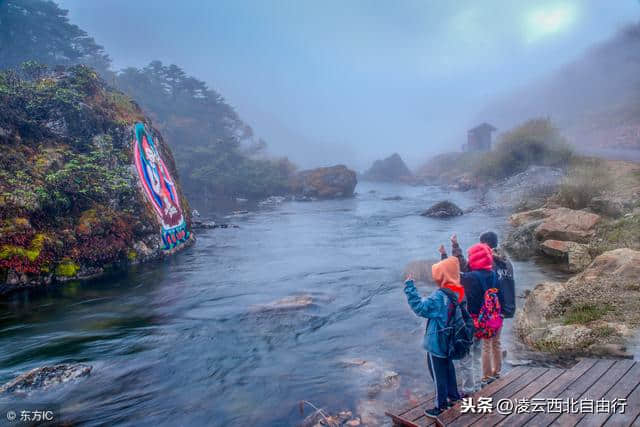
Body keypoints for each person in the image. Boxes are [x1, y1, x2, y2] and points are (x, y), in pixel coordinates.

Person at [403, 256, 463, 418]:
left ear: (442, 277)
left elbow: (420, 308)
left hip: (437, 343)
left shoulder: (439, 296)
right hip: (451, 341)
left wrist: (409, 287)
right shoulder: (458, 291)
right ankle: (454, 397)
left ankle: (440, 406)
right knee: (449, 370)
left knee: (438, 375)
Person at [441, 237, 501, 388]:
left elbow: (452, 273)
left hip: (471, 322)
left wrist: (443, 256)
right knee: (477, 355)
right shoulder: (493, 274)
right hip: (485, 321)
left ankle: (469, 389)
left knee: (466, 358)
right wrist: (455, 245)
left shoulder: (471, 278)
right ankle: (478, 384)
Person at [480, 231, 516, 320]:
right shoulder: (507, 261)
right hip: (509, 306)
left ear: (484, 244)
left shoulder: (489, 262)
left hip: (496, 307)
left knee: (491, 331)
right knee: (497, 329)